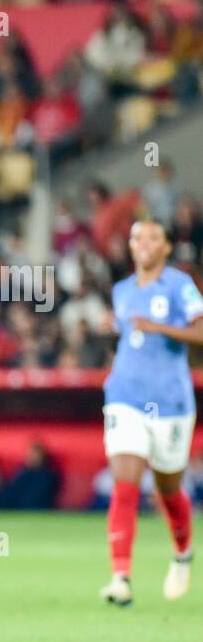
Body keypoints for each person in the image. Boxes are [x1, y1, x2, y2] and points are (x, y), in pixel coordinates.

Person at [99, 220, 203, 606]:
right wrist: (113, 329)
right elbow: (133, 336)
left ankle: (182, 553)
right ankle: (120, 577)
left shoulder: (179, 285)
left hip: (171, 403)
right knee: (125, 479)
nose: (144, 243)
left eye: (153, 237)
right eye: (137, 237)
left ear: (166, 247)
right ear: (130, 246)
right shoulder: (122, 291)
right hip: (125, 394)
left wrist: (159, 327)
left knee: (168, 489)